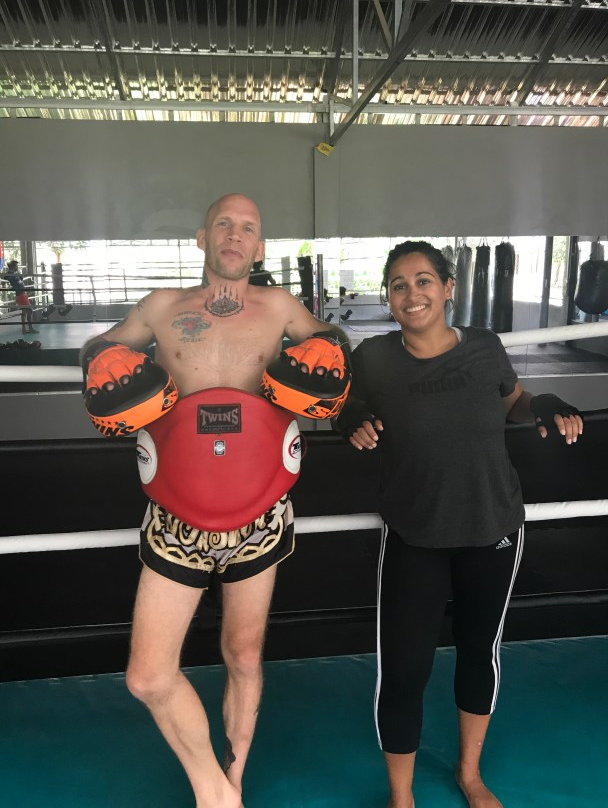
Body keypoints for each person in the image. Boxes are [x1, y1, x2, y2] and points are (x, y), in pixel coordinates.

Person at [79, 193, 350, 808]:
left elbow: (332, 342)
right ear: (202, 237)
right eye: (223, 224)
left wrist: (331, 349)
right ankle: (214, 792)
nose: (234, 235)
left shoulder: (279, 307)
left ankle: (235, 781)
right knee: (148, 675)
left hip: (261, 509)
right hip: (176, 512)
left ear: (259, 245)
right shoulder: (161, 307)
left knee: (244, 655)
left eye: (247, 228)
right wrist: (102, 360)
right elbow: (97, 350)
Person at [334, 240, 583, 808]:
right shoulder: (373, 358)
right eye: (398, 284)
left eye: (423, 280)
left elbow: (512, 399)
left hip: (493, 527)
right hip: (415, 533)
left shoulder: (485, 346)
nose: (411, 293)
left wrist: (543, 403)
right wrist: (350, 417)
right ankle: (402, 797)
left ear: (448, 288)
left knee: (478, 652)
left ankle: (469, 775)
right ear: (388, 298)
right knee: (404, 669)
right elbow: (339, 405)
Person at [2, 260, 38, 334]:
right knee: (29, 310)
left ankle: (24, 330)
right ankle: (30, 328)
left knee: (24, 312)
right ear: (12, 267)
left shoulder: (15, 274)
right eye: (16, 266)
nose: (17, 267)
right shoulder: (9, 275)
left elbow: (20, 280)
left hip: (22, 294)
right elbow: (4, 278)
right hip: (21, 295)